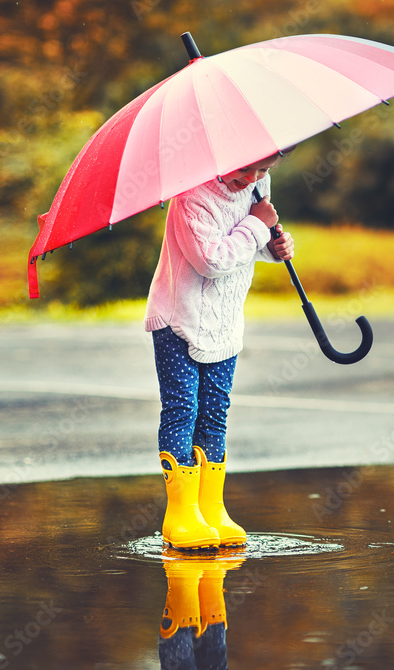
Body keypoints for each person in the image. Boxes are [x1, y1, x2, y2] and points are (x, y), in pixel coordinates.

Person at [144, 151, 294, 549]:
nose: (252, 178)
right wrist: (257, 227)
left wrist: (273, 245)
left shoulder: (256, 189)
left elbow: (247, 246)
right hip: (180, 320)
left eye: (263, 170)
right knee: (183, 410)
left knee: (215, 413)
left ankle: (211, 508)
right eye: (244, 168)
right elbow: (212, 259)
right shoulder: (191, 197)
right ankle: (181, 514)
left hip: (224, 325)